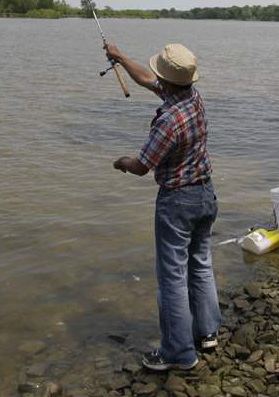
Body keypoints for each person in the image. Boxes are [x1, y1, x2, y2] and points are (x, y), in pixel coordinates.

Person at [105, 42, 221, 372]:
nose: (156, 80)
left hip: (178, 202)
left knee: (172, 278)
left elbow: (142, 166)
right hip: (206, 194)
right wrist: (120, 58)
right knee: (200, 264)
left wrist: (122, 162)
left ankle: (178, 354)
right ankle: (207, 333)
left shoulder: (168, 121)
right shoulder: (193, 98)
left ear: (167, 82)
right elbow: (147, 80)